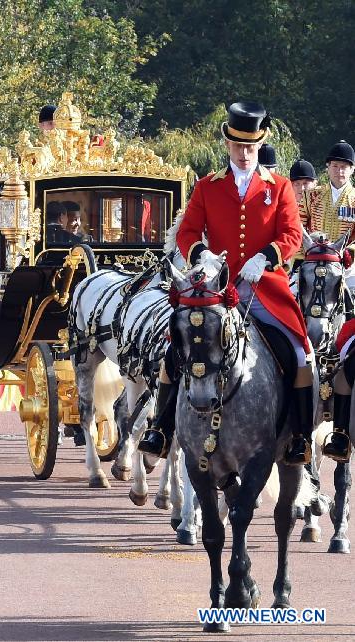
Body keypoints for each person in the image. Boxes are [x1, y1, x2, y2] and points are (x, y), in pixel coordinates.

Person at [139, 101, 314, 465]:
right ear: (228, 146)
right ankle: (161, 428)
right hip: (216, 292)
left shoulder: (279, 187)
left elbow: (292, 234)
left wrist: (266, 257)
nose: (245, 154)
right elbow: (187, 231)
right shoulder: (207, 187)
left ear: (259, 146)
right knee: (177, 348)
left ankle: (299, 438)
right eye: (239, 147)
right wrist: (200, 253)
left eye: (251, 148)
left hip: (265, 288)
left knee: (301, 354)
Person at [302, 140, 355, 242]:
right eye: (335, 166)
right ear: (328, 167)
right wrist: (300, 256)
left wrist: (351, 253)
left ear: (352, 169)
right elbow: (298, 226)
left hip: (345, 256)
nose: (339, 171)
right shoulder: (311, 195)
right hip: (314, 254)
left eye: (343, 167)